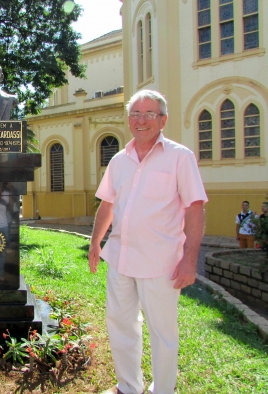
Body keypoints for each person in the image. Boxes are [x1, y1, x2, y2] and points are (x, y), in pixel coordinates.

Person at [88, 90, 207, 394]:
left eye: (149, 114)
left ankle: (163, 390)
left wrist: (190, 259)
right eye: (135, 114)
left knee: (162, 332)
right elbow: (107, 205)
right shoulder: (118, 160)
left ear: (163, 119)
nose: (141, 121)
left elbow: (195, 207)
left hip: (161, 263)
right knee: (120, 324)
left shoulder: (180, 157)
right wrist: (95, 244)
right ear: (129, 120)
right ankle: (128, 386)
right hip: (121, 260)